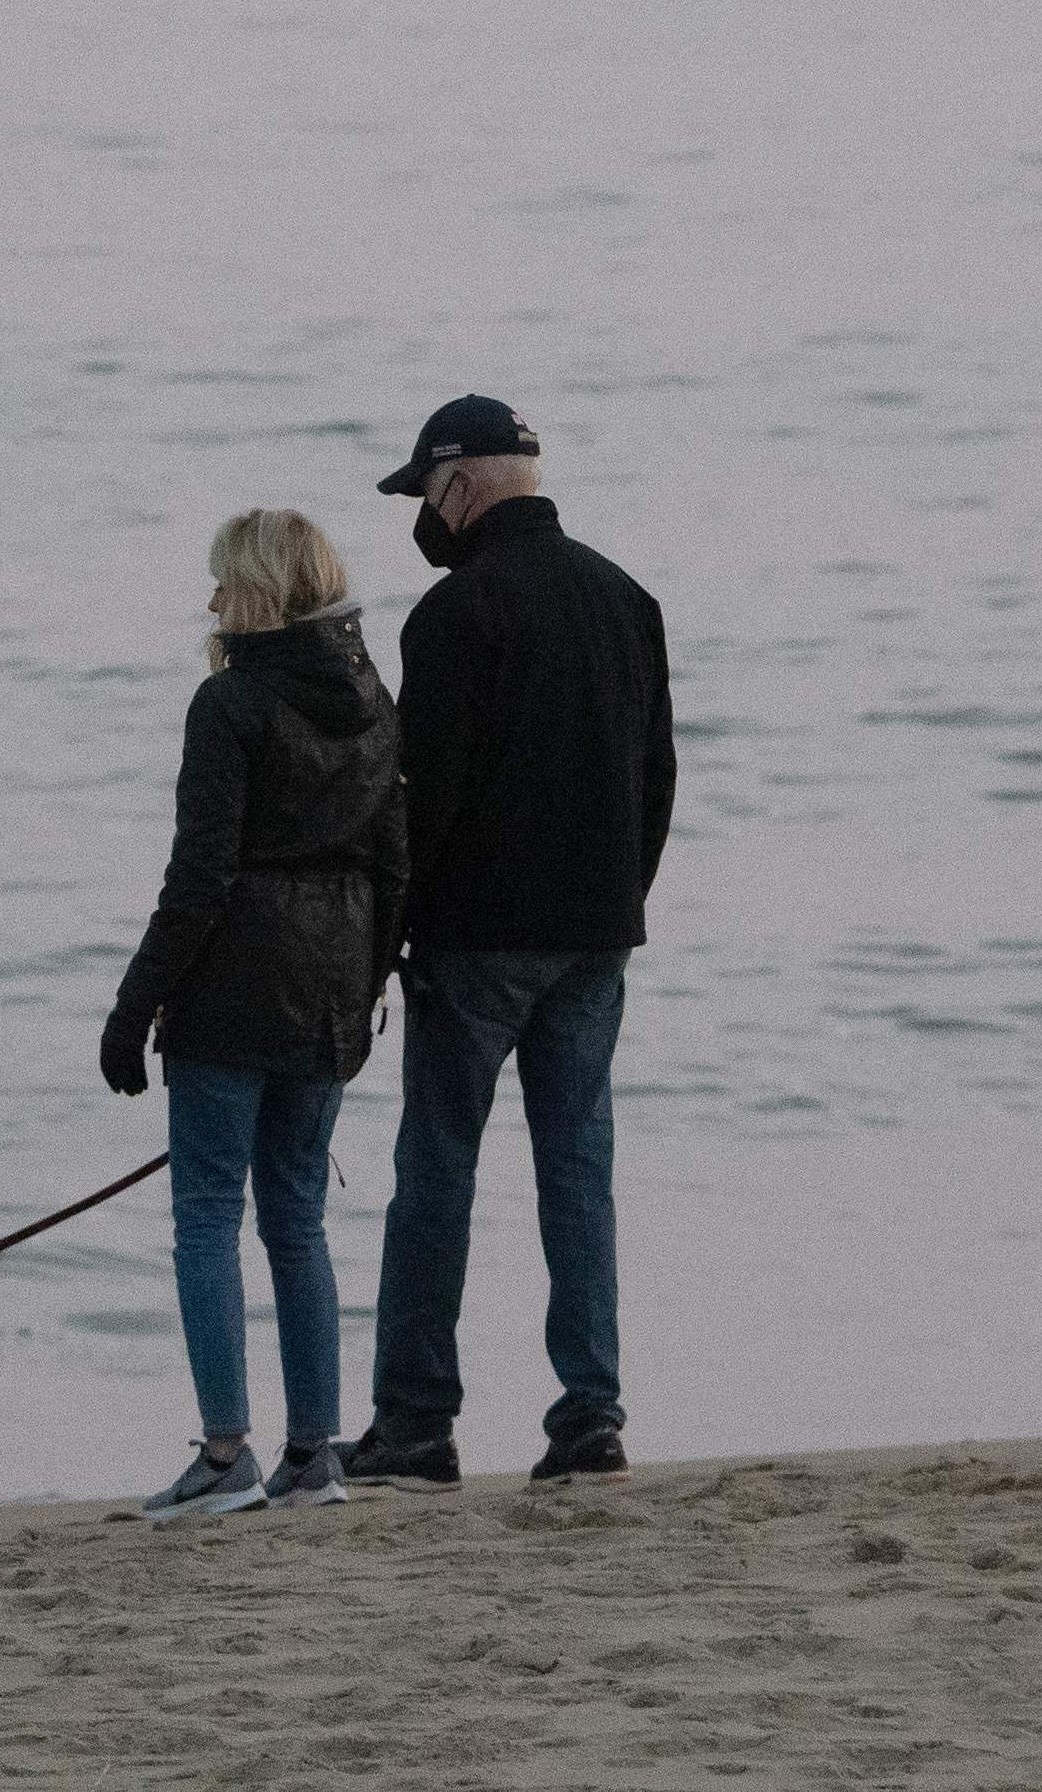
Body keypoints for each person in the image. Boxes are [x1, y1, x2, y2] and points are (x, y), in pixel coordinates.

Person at [339, 396, 676, 1493]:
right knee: (578, 1172)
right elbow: (657, 775)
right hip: (594, 935)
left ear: (463, 484)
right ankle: (590, 1415)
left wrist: (386, 939)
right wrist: (620, 899)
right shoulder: (628, 599)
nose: (419, 517)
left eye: (421, 494)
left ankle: (414, 1424)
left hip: (476, 938)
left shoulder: (452, 617)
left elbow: (421, 801)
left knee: (435, 1170)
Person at [103, 510, 408, 1518]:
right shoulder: (371, 696)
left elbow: (198, 878)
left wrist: (134, 1003)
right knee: (297, 1221)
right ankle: (313, 1455)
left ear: (258, 590)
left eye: (221, 582)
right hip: (329, 990)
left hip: (233, 985)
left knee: (204, 1218)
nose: (209, 601)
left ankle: (226, 1451)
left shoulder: (227, 703)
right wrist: (365, 991)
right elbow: (393, 867)